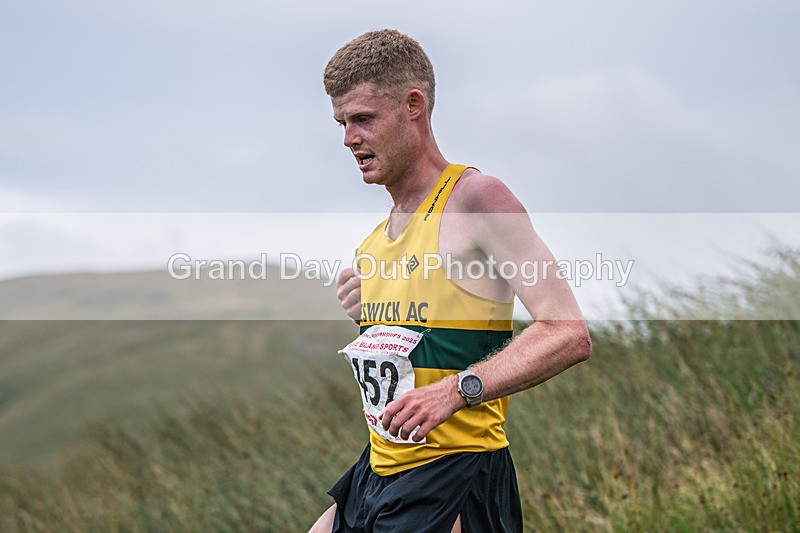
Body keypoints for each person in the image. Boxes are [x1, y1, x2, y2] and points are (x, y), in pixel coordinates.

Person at [309, 29, 591, 533]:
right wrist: (368, 317)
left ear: (413, 105)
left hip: (454, 475)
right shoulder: (374, 242)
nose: (349, 138)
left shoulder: (477, 199)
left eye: (363, 119)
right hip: (377, 471)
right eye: (342, 122)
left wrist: (456, 391)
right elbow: (423, 341)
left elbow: (567, 331)